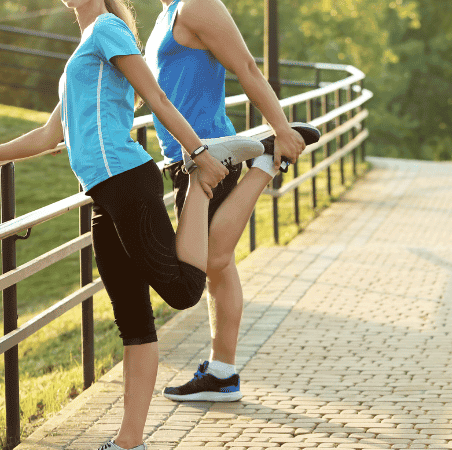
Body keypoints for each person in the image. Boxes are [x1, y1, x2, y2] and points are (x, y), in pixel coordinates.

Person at [0, 0, 262, 448]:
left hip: (127, 180)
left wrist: (198, 154)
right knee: (133, 322)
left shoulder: (107, 29)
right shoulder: (83, 48)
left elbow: (155, 95)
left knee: (183, 291)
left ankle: (215, 180)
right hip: (101, 194)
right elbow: (48, 136)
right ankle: (128, 442)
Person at [144, 0, 306, 403]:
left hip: (210, 155)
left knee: (209, 260)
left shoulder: (198, 5)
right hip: (184, 157)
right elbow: (157, 88)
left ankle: (265, 162)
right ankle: (222, 372)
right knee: (221, 265)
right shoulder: (165, 15)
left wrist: (281, 128)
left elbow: (247, 67)